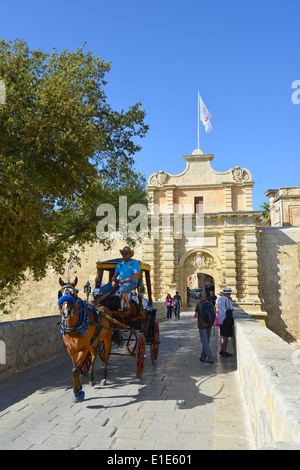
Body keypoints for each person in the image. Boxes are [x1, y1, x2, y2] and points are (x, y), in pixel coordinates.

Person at [98, 246, 140, 313]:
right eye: (123, 253)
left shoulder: (134, 263)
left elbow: (136, 275)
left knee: (122, 290)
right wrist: (113, 281)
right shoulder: (119, 265)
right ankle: (101, 306)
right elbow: (115, 275)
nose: (124, 255)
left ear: (130, 255)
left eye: (126, 253)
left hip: (131, 283)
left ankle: (127, 305)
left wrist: (125, 280)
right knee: (102, 289)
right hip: (120, 282)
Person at [194, 291, 214, 364]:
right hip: (209, 324)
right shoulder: (210, 303)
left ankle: (210, 358)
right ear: (206, 297)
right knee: (206, 342)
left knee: (204, 342)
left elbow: (196, 315)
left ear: (200, 298)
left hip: (202, 325)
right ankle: (203, 357)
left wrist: (196, 315)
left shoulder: (199, 305)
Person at [217, 286, 234, 356]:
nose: (229, 295)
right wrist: (230, 301)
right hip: (226, 319)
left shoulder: (219, 299)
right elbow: (231, 308)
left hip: (221, 318)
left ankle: (221, 349)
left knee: (222, 336)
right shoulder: (227, 300)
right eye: (229, 294)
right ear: (226, 294)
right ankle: (224, 351)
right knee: (226, 337)